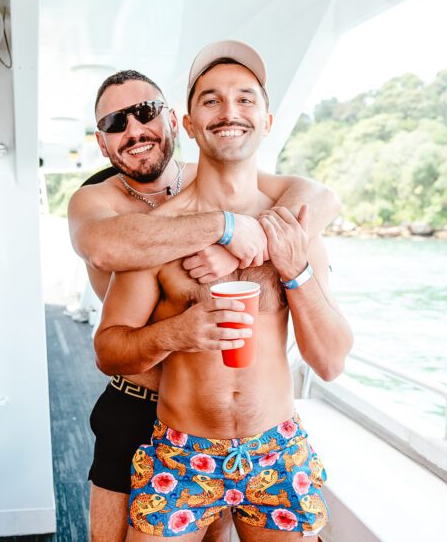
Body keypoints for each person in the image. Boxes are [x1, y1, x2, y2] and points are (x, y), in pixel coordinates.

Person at [68, 53, 341, 541]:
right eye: (212, 100)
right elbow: (108, 347)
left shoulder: (292, 225)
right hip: (176, 445)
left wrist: (289, 264)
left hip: (275, 448)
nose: (229, 112)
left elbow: (332, 362)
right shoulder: (147, 233)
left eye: (244, 99)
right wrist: (182, 329)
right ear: (193, 123)